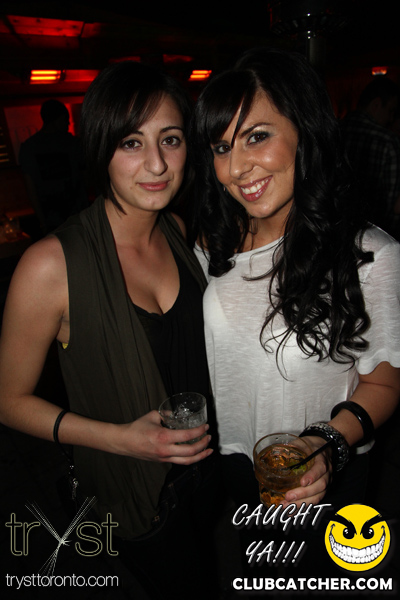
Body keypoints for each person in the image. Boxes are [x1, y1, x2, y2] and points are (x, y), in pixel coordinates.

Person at [0, 62, 222, 600]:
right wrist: (122, 440)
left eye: (170, 139)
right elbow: (8, 401)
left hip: (210, 468)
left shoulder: (176, 229)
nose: (157, 163)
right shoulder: (50, 265)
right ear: (101, 149)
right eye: (131, 143)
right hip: (135, 492)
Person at [190, 47, 400, 580]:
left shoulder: (369, 255)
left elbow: (384, 383)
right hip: (238, 464)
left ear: (304, 130)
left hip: (326, 474)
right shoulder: (212, 245)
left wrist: (324, 444)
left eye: (257, 136)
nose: (237, 168)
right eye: (221, 147)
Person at [340, 77, 400, 236]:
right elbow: (393, 211)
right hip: (376, 236)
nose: (391, 118)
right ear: (376, 104)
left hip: (336, 232)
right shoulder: (387, 142)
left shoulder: (333, 132)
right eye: (391, 111)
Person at [19, 99, 88, 236]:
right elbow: (30, 186)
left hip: (68, 216)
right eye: (66, 120)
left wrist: (42, 222)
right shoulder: (71, 144)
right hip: (63, 217)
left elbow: (30, 187)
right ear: (57, 120)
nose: (68, 124)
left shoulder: (30, 147)